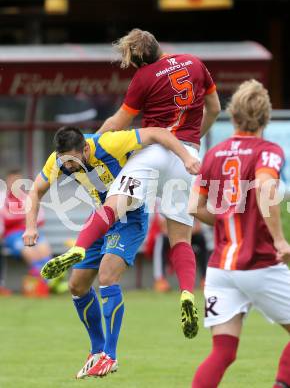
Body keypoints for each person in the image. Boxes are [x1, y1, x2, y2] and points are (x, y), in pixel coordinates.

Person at [41, 28, 221, 339]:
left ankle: (78, 249)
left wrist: (94, 140)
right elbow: (215, 109)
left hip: (152, 152)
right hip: (185, 155)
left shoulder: (144, 78)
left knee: (113, 206)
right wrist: (193, 143)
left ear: (137, 62)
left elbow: (117, 125)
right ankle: (187, 293)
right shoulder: (195, 63)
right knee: (180, 237)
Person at [23, 125, 198, 378]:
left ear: (85, 149)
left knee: (106, 276)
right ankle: (96, 352)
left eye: (73, 161)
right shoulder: (58, 161)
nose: (69, 167)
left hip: (130, 217)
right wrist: (30, 227)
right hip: (99, 218)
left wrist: (186, 157)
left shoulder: (109, 144)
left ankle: (110, 356)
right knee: (77, 286)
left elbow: (156, 133)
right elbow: (35, 190)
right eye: (65, 162)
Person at [191, 80, 290, 388]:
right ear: (265, 117)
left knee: (222, 351)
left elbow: (194, 206)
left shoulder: (215, 154)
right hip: (259, 263)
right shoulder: (268, 151)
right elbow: (264, 187)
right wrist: (279, 239)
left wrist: (225, 219)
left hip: (221, 268)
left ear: (232, 116)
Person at [0, 170, 65, 296]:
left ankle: (47, 281)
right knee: (30, 251)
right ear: (7, 182)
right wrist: (24, 217)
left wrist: (23, 218)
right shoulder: (3, 199)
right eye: (12, 181)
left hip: (31, 232)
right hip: (12, 235)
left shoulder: (28, 197)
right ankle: (49, 282)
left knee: (44, 249)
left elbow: (40, 218)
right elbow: (5, 219)